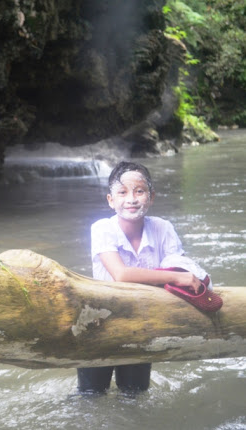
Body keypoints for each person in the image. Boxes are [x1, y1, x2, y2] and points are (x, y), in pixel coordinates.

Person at [76, 161, 204, 394]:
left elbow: (180, 267)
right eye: (122, 192)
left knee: (134, 395)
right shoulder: (102, 228)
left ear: (151, 196)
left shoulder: (163, 228)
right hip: (99, 324)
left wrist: (190, 277)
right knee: (90, 396)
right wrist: (176, 278)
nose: (131, 199)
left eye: (139, 191)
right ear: (110, 200)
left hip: (141, 325)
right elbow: (121, 274)